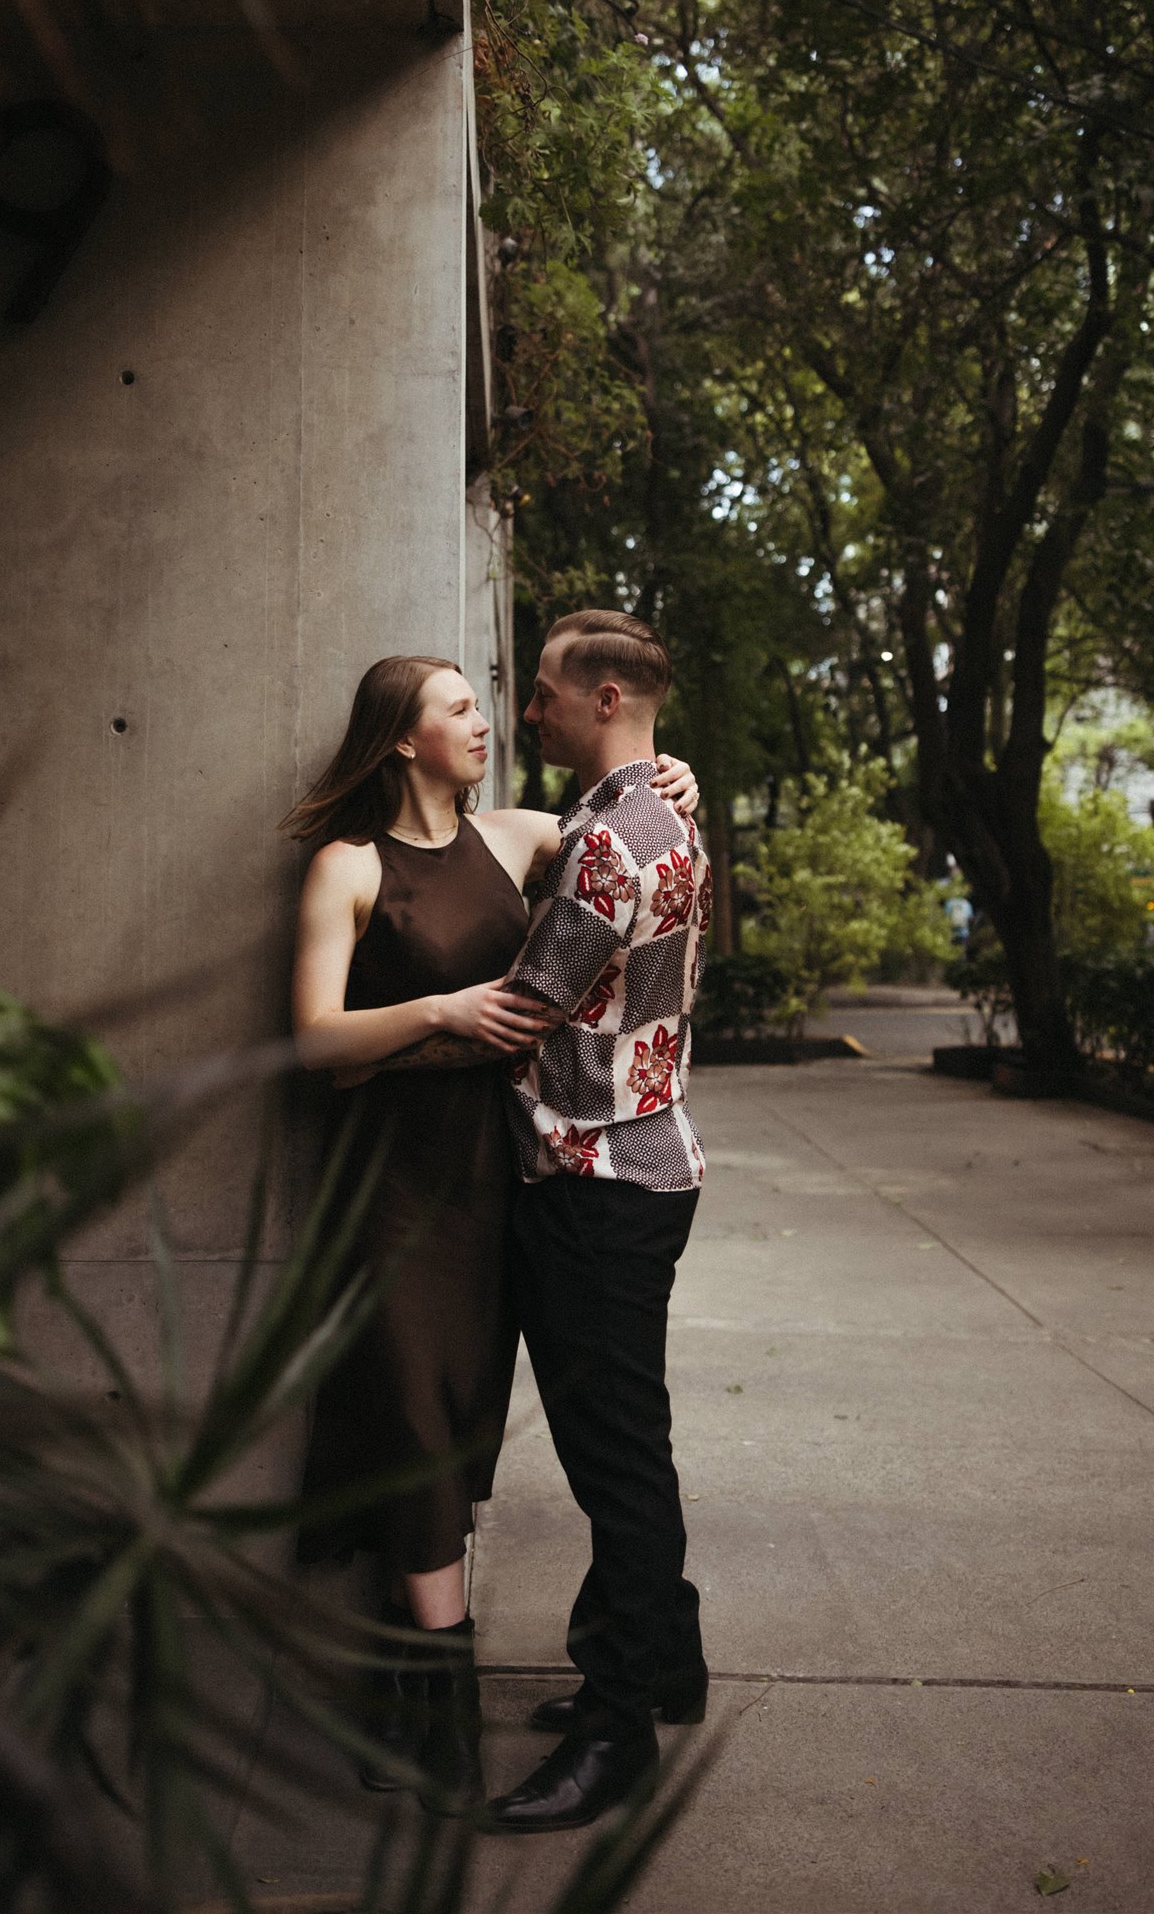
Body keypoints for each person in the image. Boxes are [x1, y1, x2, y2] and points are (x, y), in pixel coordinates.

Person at [282, 653, 698, 1813]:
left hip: (506, 1179)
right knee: (415, 1420)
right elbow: (314, 1038)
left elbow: (628, 833)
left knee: (460, 1432)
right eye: (460, 707)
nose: (488, 721)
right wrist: (441, 1009)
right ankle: (446, 1721)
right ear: (402, 739)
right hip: (396, 1187)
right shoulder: (346, 865)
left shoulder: (520, 836)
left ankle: (422, 1704)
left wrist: (677, 773)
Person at [481, 609, 713, 1835]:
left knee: (616, 1457)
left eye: (549, 695)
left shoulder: (610, 843)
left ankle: (619, 1728)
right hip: (643, 1164)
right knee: (633, 1435)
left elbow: (525, 1007)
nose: (530, 712)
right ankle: (661, 1662)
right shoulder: (660, 812)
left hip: (595, 1179)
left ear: (609, 695)